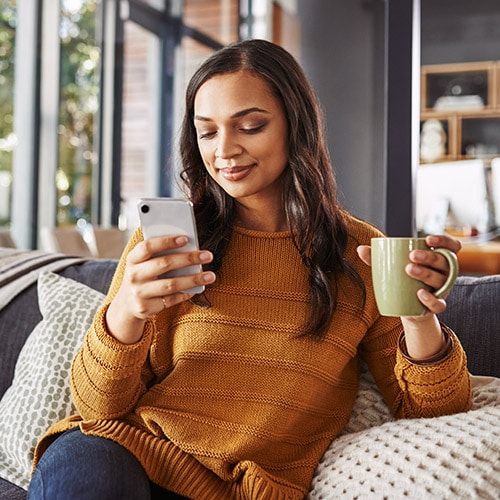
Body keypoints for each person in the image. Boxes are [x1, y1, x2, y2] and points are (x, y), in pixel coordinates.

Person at [27, 39, 471, 500]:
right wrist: (125, 315)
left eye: (251, 126)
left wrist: (420, 318)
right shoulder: (168, 243)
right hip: (124, 456)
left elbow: (435, 415)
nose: (225, 151)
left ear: (295, 126)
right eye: (207, 132)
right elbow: (99, 408)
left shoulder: (362, 253)